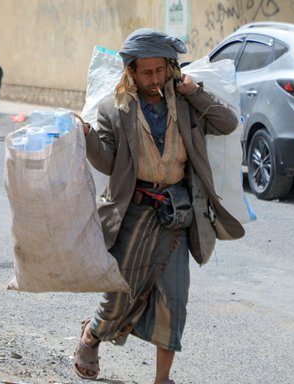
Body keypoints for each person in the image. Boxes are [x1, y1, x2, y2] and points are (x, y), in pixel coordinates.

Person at [72, 28, 245, 383]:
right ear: (131, 72)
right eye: (146, 72)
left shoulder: (186, 103)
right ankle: (91, 335)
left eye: (160, 70)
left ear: (170, 68)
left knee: (174, 299)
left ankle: (162, 378)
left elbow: (227, 123)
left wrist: (194, 90)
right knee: (119, 295)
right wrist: (88, 136)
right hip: (133, 214)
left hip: (177, 213)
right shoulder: (114, 110)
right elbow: (107, 163)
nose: (154, 79)